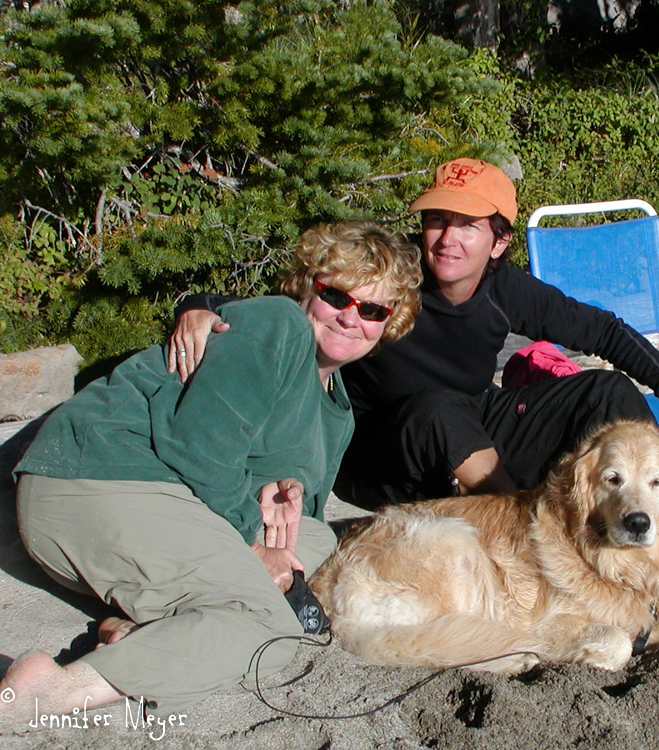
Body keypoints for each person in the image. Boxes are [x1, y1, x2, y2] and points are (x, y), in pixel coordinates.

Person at [0, 222, 422, 723]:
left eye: (373, 309)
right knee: (269, 630)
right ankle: (53, 691)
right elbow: (200, 446)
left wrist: (273, 515)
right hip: (104, 475)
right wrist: (251, 542)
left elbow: (291, 521)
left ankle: (139, 633)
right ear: (307, 285)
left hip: (160, 507)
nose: (351, 317)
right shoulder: (278, 324)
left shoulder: (338, 412)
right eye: (336, 295)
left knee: (315, 540)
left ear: (389, 323)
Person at [171, 158, 659, 511]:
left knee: (603, 392)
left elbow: (604, 330)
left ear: (500, 241)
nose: (447, 238)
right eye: (438, 219)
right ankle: (516, 525)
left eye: (468, 224)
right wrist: (200, 306)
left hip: (466, 434)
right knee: (439, 408)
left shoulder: (504, 289)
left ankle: (656, 533)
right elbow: (303, 299)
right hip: (378, 455)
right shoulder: (394, 272)